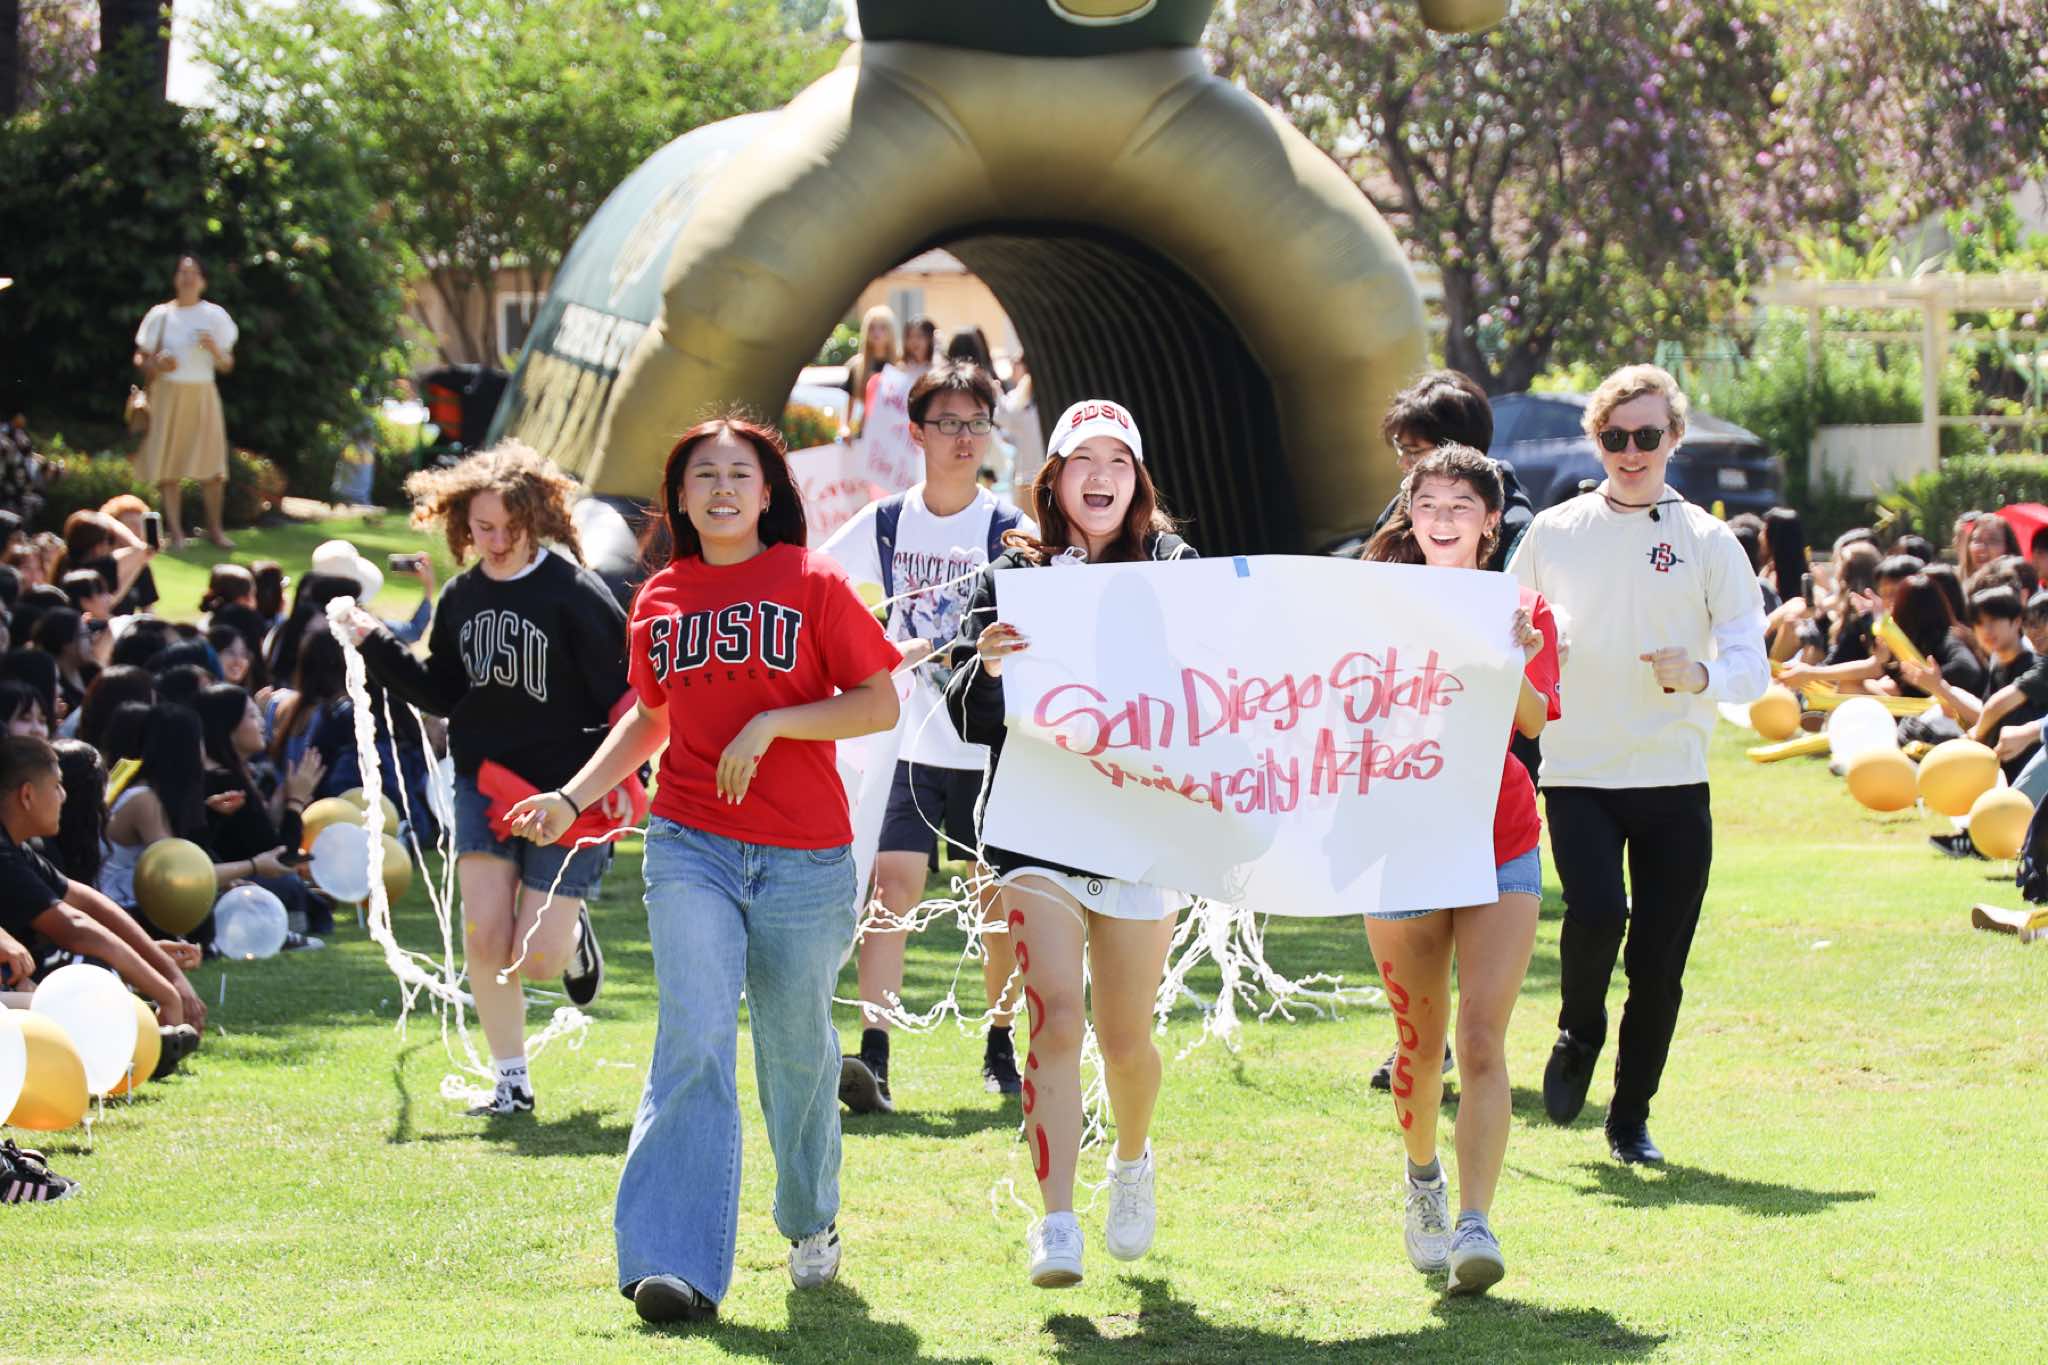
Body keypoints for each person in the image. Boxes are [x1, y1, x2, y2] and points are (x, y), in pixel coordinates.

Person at [504, 415, 900, 1323]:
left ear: (768, 493)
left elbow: (877, 702)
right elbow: (652, 719)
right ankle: (672, 1261)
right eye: (705, 475)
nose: (723, 488)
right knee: (691, 1038)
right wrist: (572, 796)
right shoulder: (661, 598)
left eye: (740, 473)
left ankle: (810, 1216)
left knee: (797, 1051)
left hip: (804, 854)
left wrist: (774, 724)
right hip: (691, 843)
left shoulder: (813, 582)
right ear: (680, 498)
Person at [944, 398, 1195, 1289]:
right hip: (1034, 829)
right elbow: (964, 712)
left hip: (1136, 831)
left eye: (1117, 461)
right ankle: (1055, 1219)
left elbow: (1214, 682)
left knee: (1125, 1039)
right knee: (1053, 1014)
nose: (1100, 476)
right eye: (1082, 459)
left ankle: (1131, 1158)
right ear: (1052, 479)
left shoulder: (1175, 569)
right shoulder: (1011, 574)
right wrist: (989, 665)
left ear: (1138, 481)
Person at [1510, 364, 1767, 1165]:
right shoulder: (1553, 531)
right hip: (1578, 771)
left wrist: (1700, 675)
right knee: (1595, 912)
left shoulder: (1708, 541)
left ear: (1674, 437)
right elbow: (1503, 625)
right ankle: (1578, 1026)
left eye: (1647, 435)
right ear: (1595, 439)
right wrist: (1528, 644)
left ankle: (1630, 1119)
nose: (1630, 451)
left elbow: (1752, 666)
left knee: (1657, 966)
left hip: (1674, 779)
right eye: (1614, 436)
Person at [335, 442, 624, 1116]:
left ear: (536, 520)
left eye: (510, 529)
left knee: (538, 958)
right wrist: (376, 642)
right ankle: (511, 1083)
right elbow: (441, 692)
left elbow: (628, 699)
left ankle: (571, 939)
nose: (496, 542)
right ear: (463, 525)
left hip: (567, 791)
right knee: (484, 936)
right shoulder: (462, 595)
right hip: (482, 781)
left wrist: (617, 780)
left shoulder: (575, 593)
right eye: (483, 528)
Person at [1359, 443, 1560, 1295]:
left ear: (1490, 522)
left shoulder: (1524, 607)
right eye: (1429, 505)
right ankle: (1423, 1177)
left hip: (1501, 841)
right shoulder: (1373, 604)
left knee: (1481, 1038)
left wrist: (1510, 655)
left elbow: (1534, 721)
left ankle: (1476, 1221)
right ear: (1411, 515)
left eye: (1461, 506)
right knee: (1420, 1044)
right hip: (1402, 843)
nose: (1443, 520)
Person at [819, 360, 1033, 1112]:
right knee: (891, 889)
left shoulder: (1011, 530)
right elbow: (816, 583)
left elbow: (1051, 617)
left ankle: (1001, 1042)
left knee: (995, 902)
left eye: (976, 423)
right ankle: (873, 1055)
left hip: (984, 745)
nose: (964, 438)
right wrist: (872, 649)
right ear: (916, 432)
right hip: (905, 742)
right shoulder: (885, 521)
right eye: (948, 423)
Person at [0, 734, 206, 1034]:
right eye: (56, 786)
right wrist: (166, 992)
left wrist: (165, 968)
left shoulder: (18, 848)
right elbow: (75, 927)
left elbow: (88, 904)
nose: (64, 796)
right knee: (89, 982)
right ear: (27, 795)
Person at [100, 703, 302, 946]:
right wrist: (254, 865)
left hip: (140, 903)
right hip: (124, 909)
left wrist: (210, 815)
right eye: (200, 743)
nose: (204, 755)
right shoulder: (144, 800)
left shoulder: (149, 793)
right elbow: (179, 878)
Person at [1365, 370, 1532, 572]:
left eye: (1413, 451)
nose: (1402, 462)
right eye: (1427, 505)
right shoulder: (1398, 509)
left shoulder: (1517, 531)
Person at [132, 254, 239, 550]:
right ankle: (176, 533)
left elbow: (227, 364)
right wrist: (156, 363)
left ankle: (215, 530)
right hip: (167, 394)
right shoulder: (160, 315)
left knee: (213, 468)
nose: (187, 277)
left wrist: (214, 349)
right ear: (175, 278)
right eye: (182, 271)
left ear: (203, 281)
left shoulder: (214, 315)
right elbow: (141, 356)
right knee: (168, 467)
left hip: (202, 392)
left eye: (193, 273)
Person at [841, 305, 901, 442]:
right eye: (872, 327)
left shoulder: (901, 366)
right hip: (866, 434)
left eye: (882, 328)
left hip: (895, 437)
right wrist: (845, 428)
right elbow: (848, 408)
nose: (876, 332)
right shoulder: (857, 366)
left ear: (891, 332)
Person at [998, 351, 1044, 493]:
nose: (1013, 365)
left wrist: (996, 395)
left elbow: (1005, 418)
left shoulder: (1024, 393)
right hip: (1030, 474)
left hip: (1028, 476)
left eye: (1017, 361)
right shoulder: (1021, 394)